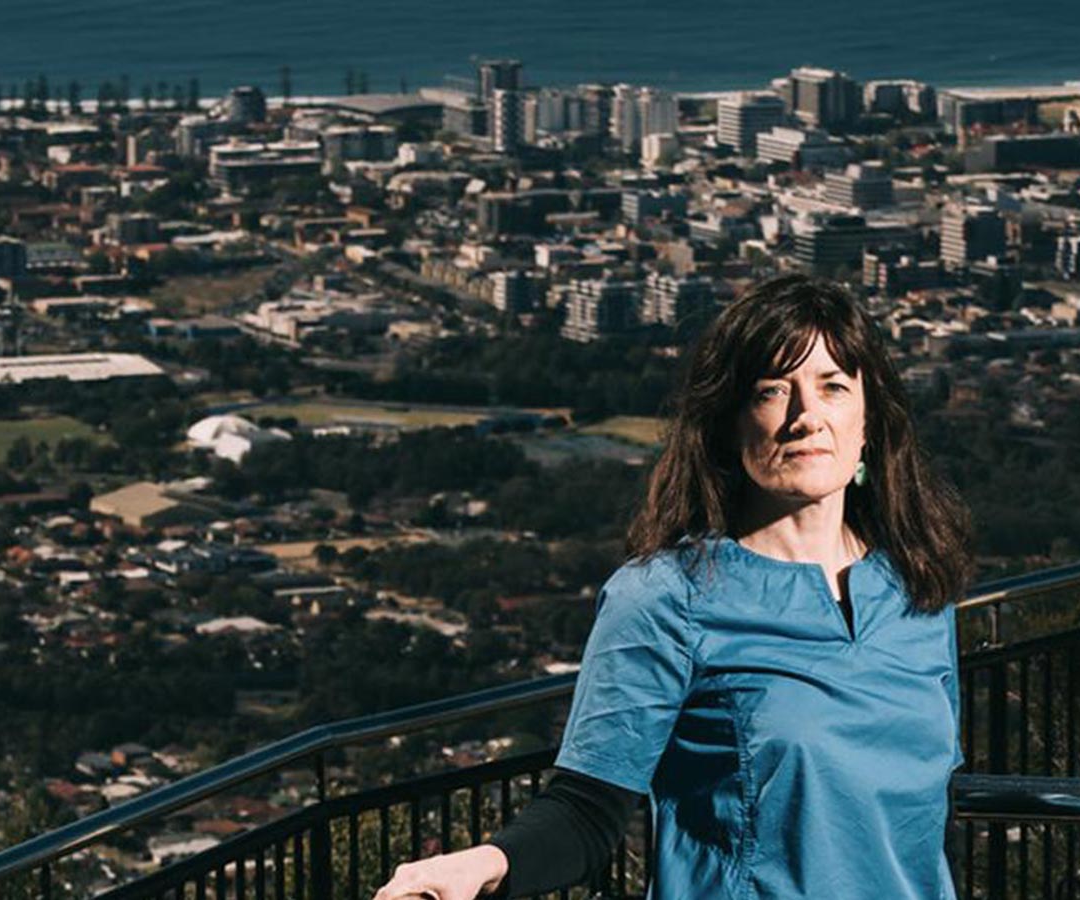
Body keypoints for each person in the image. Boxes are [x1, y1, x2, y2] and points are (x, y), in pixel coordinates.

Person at [372, 274, 974, 900]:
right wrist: (483, 864)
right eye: (773, 391)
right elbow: (587, 807)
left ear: (869, 419)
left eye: (833, 388)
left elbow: (925, 818)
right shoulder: (667, 597)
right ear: (729, 424)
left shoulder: (917, 588)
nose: (806, 418)